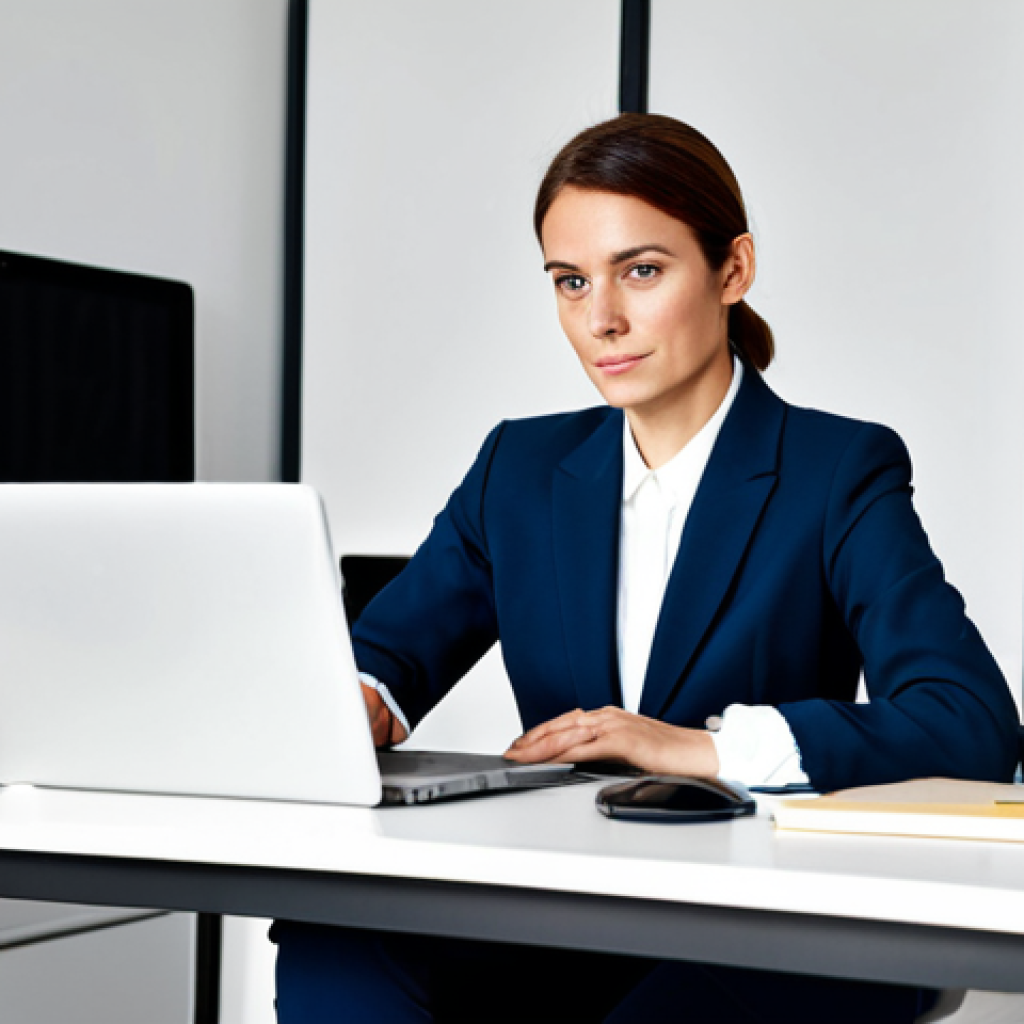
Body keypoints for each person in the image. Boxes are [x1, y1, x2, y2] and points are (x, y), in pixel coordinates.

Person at [272, 114, 1020, 1022]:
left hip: (772, 922)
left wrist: (700, 748)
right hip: (568, 909)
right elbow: (386, 652)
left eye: (642, 270)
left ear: (732, 270)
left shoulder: (837, 471)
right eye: (571, 281)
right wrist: (353, 699)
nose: (602, 320)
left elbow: (971, 722)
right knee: (331, 938)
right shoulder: (521, 469)